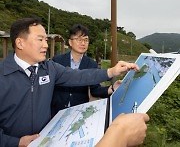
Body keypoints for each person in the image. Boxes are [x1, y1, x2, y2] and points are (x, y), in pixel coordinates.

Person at [0, 18, 140, 147]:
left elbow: (79, 76)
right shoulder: (3, 75)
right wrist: (16, 142)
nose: (46, 45)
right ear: (20, 43)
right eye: (40, 39)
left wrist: (111, 71)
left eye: (46, 40)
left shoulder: (49, 68)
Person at [51, 24, 121, 116]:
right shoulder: (57, 60)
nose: (83, 43)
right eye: (79, 39)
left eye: (86, 40)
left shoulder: (91, 64)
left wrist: (112, 88)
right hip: (56, 111)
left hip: (79, 112)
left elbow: (95, 90)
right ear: (70, 42)